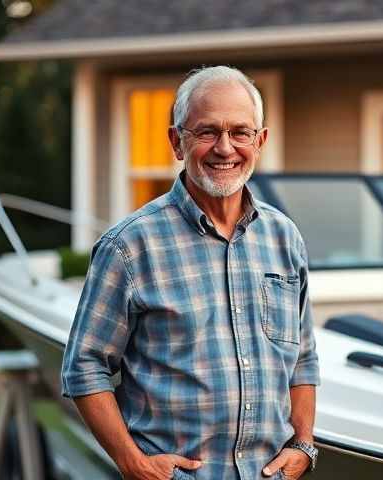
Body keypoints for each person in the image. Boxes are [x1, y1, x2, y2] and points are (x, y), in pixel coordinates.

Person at [61, 65, 320, 480]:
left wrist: (303, 444)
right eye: (206, 132)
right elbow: (83, 365)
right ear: (176, 142)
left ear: (261, 141)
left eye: (240, 132)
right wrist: (134, 464)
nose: (224, 148)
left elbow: (303, 358)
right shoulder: (129, 246)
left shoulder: (284, 237)